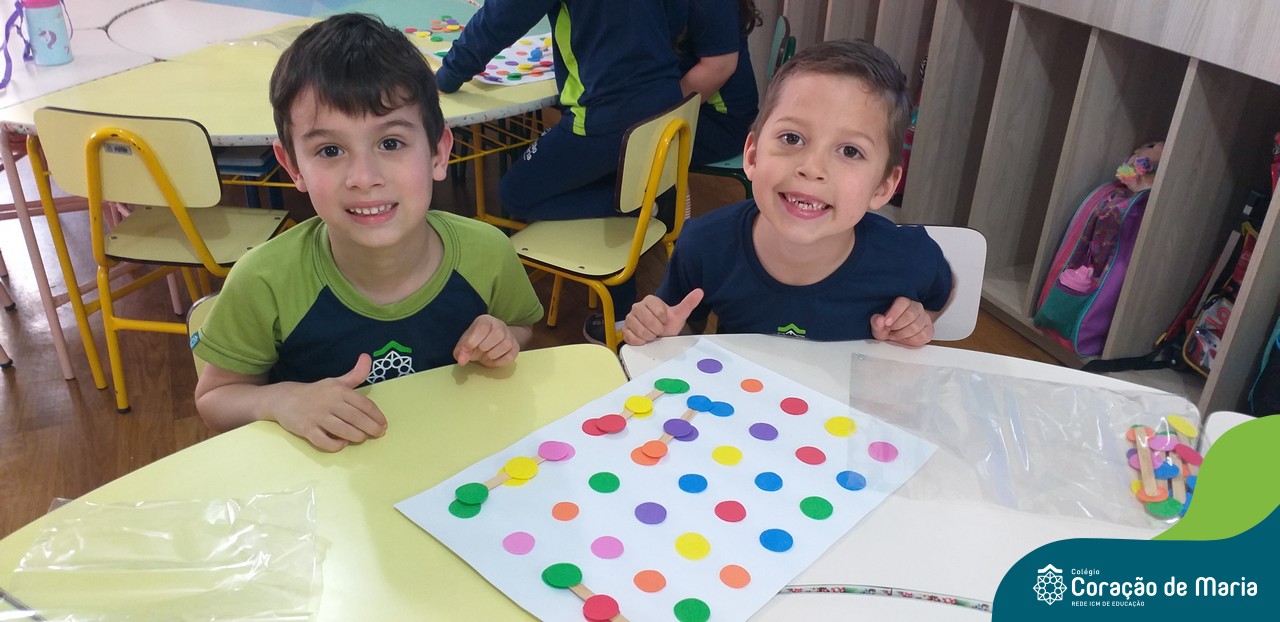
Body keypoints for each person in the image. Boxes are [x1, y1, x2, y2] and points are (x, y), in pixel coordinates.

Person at [192, 14, 544, 452]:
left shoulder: (488, 252)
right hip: (329, 479)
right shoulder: (264, 281)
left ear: (438, 152)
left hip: (457, 464)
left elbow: (521, 328)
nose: (363, 177)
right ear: (293, 166)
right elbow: (215, 399)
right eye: (330, 150)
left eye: (390, 143)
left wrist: (502, 338)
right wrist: (281, 399)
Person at [622, 39, 953, 347]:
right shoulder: (704, 245)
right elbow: (682, 327)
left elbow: (941, 294)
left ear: (883, 187)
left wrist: (917, 320)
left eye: (850, 151)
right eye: (792, 138)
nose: (812, 167)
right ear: (753, 156)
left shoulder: (907, 256)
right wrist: (660, 331)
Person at [435, 0, 686, 222]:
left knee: (515, 193)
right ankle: (642, 198)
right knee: (590, 171)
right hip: (669, 103)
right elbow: (676, 18)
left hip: (605, 117)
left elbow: (501, 18)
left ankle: (641, 207)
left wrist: (448, 75)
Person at [678, 0, 760, 166]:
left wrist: (659, 108)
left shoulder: (714, 4)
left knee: (628, 135)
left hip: (722, 123)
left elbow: (720, 67)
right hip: (706, 112)